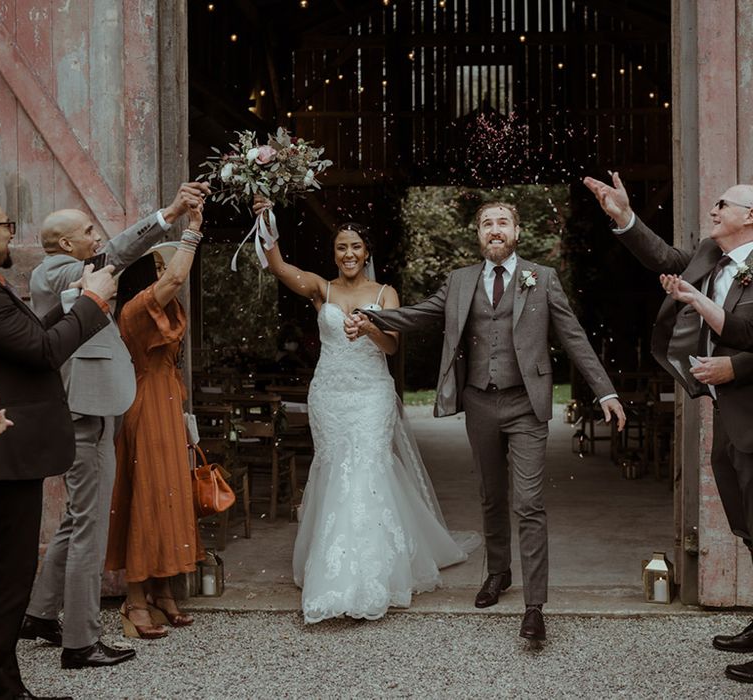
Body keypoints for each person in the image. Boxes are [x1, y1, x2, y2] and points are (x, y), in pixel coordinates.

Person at [347, 201, 626, 643]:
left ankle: (535, 607)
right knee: (492, 497)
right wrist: (373, 318)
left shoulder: (543, 278)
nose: (494, 230)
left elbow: (574, 337)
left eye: (502, 223)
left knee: (528, 503)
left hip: (526, 405)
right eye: (486, 224)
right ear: (478, 234)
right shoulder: (460, 281)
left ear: (517, 231)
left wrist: (605, 390)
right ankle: (498, 573)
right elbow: (421, 314)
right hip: (479, 403)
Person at [252, 196, 474, 624]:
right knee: (335, 468)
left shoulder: (385, 293)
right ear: (333, 254)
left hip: (372, 393)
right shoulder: (323, 289)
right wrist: (266, 219)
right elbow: (278, 267)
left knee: (368, 467)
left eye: (355, 246)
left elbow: (392, 346)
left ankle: (373, 574)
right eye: (341, 248)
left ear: (366, 252)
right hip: (330, 395)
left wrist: (370, 327)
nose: (348, 254)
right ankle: (333, 568)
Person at [21, 182, 209, 669]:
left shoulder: (69, 265)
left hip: (94, 407)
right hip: (86, 410)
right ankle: (81, 643)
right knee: (90, 527)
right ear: (66, 244)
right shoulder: (60, 272)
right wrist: (172, 219)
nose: (95, 235)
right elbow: (119, 252)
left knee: (76, 518)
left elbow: (115, 251)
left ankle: (39, 613)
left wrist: (167, 214)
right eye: (86, 231)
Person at [584, 174, 753, 684]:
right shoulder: (710, 254)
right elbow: (665, 258)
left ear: (750, 216)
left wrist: (735, 368)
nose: (715, 207)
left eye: (724, 202)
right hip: (729, 415)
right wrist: (624, 217)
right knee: (746, 524)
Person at [0, 194, 115, 700]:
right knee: (5, 578)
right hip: (3, 456)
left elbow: (27, 341)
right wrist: (94, 302)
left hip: (8, 449)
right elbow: (43, 350)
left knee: (4, 576)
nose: (9, 235)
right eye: (3, 225)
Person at [105, 202, 206, 638]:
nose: (169, 272)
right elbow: (177, 276)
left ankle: (164, 592)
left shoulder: (168, 311)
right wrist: (193, 231)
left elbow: (174, 280)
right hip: (144, 406)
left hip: (168, 403)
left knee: (171, 493)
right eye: (159, 267)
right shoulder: (132, 311)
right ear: (148, 276)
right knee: (146, 495)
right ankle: (134, 599)